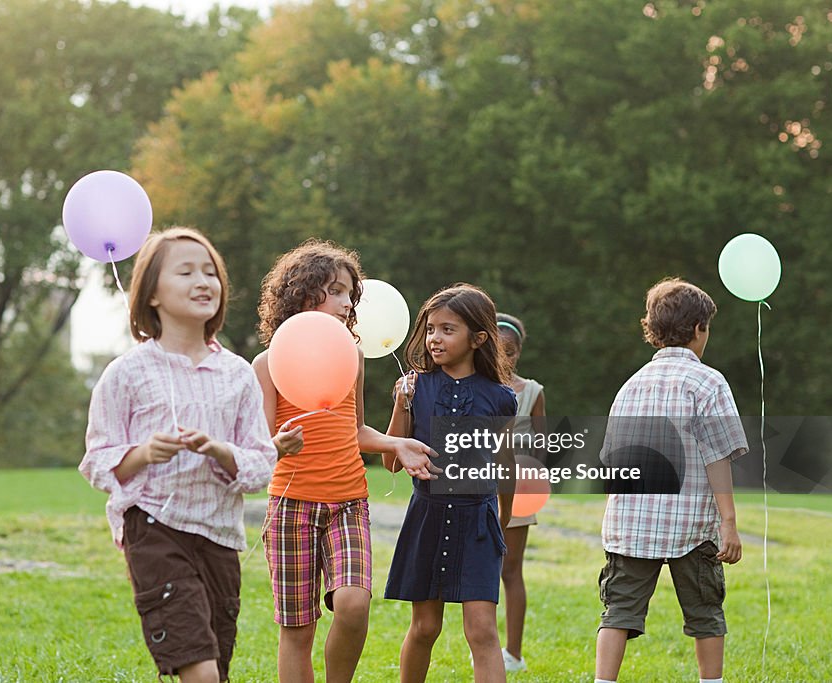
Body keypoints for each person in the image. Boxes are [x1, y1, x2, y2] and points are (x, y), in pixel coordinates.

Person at [79, 228, 277, 683]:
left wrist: (221, 451)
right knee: (200, 670)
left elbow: (261, 462)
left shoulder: (238, 375)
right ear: (152, 294)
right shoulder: (126, 373)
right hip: (153, 528)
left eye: (210, 272)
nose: (203, 281)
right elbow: (98, 460)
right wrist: (144, 453)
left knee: (216, 666)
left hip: (221, 538)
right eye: (185, 272)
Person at [252, 239, 440, 683]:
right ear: (301, 292)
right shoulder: (267, 362)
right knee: (297, 631)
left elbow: (355, 430)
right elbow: (260, 443)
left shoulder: (352, 356)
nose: (345, 302)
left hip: (348, 502)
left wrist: (395, 445)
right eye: (335, 290)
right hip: (290, 506)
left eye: (349, 294)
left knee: (354, 604)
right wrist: (278, 443)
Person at [594, 278, 748, 683]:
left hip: (631, 525)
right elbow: (718, 456)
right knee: (705, 611)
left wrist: (616, 516)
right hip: (692, 527)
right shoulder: (708, 383)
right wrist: (728, 523)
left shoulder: (631, 386)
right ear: (699, 329)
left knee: (618, 612)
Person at [383, 283, 517, 683]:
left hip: (477, 522)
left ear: (478, 339)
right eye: (430, 329)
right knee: (424, 628)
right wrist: (399, 403)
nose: (434, 339)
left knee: (482, 630)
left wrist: (503, 519)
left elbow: (505, 467)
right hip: (426, 517)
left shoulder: (500, 398)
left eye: (447, 330)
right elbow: (390, 462)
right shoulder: (416, 387)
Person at [495, 313, 546, 674]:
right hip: (474, 486)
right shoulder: (468, 387)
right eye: (497, 350)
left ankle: (513, 652)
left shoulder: (531, 392)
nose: (503, 358)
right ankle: (483, 643)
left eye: (510, 352)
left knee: (511, 571)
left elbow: (542, 447)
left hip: (518, 490)